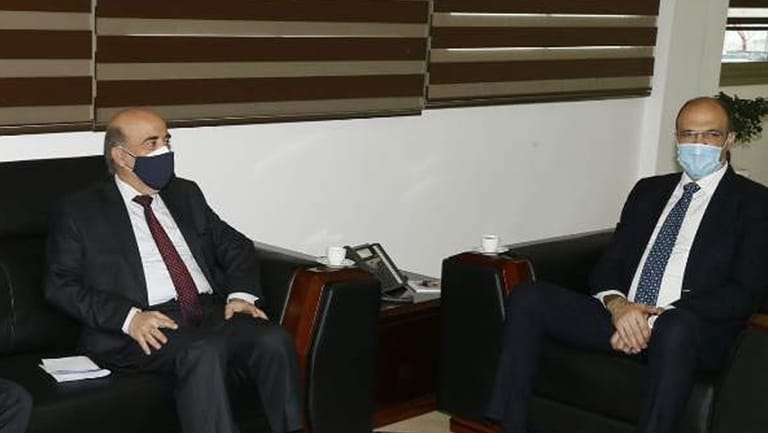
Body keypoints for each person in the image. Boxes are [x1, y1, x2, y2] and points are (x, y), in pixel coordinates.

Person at [487, 96, 768, 433]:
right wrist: (619, 307)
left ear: (729, 139)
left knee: (675, 328)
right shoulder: (648, 191)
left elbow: (743, 292)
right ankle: (510, 425)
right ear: (676, 138)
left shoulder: (754, 202)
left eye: (711, 135)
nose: (699, 144)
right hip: (624, 316)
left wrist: (656, 317)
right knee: (528, 298)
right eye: (689, 134)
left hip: (690, 328)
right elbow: (610, 263)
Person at [45, 108, 303, 433]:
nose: (164, 152)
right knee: (202, 351)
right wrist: (128, 318)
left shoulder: (184, 194)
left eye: (166, 140)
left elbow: (235, 245)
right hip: (144, 323)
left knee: (272, 338)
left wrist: (240, 295)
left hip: (208, 312)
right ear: (121, 156)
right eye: (151, 144)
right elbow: (60, 285)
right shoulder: (80, 211)